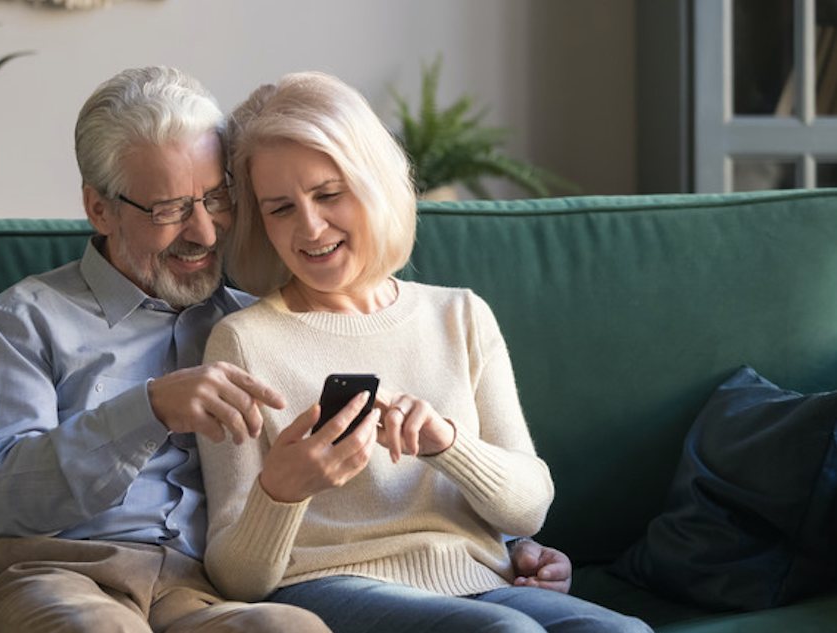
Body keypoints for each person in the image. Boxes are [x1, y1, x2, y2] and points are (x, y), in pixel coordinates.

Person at [0, 65, 573, 633]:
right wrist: (148, 409)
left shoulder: (257, 323)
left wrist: (515, 545)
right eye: (169, 208)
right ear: (99, 209)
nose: (205, 230)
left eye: (216, 199)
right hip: (54, 573)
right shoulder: (22, 322)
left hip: (198, 591)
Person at [197, 71, 651, 633]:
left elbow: (530, 508)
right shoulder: (243, 340)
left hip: (483, 581)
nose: (310, 228)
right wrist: (281, 490)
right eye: (280, 208)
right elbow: (235, 579)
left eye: (328, 194)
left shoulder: (458, 315)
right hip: (329, 587)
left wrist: (447, 444)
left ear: (375, 186)